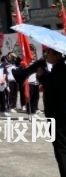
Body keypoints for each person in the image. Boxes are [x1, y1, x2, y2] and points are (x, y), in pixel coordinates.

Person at [35, 48, 66, 176]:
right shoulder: (60, 68)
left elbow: (54, 90)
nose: (46, 56)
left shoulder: (60, 70)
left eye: (49, 53)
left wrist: (42, 77)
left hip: (58, 115)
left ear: (57, 55)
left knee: (61, 150)